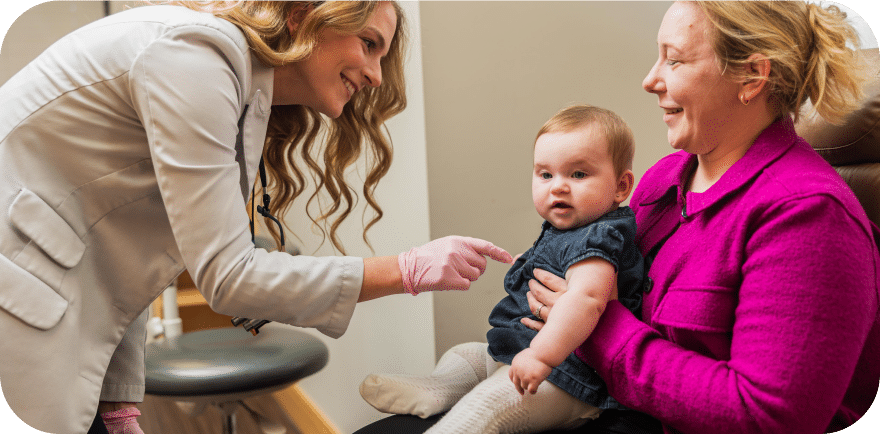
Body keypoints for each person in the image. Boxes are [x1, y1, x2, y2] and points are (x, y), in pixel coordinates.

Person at [356, 1, 880, 433]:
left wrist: (596, 327)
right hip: (600, 399)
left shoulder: (809, 218)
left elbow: (769, 416)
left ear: (751, 76)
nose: (651, 80)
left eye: (673, 61)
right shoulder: (666, 178)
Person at [0, 2, 512, 434]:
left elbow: (123, 248)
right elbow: (228, 278)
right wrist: (406, 269)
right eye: (369, 43)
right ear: (302, 15)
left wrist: (118, 402)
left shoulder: (235, 81)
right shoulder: (195, 60)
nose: (377, 74)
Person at [359, 104, 661, 434]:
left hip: (570, 377)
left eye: (578, 174)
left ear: (621, 186)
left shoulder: (601, 240)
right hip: (528, 351)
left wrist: (541, 357)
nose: (557, 186)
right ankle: (439, 387)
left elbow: (587, 300)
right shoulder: (569, 229)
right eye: (546, 174)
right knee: (470, 355)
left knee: (493, 400)